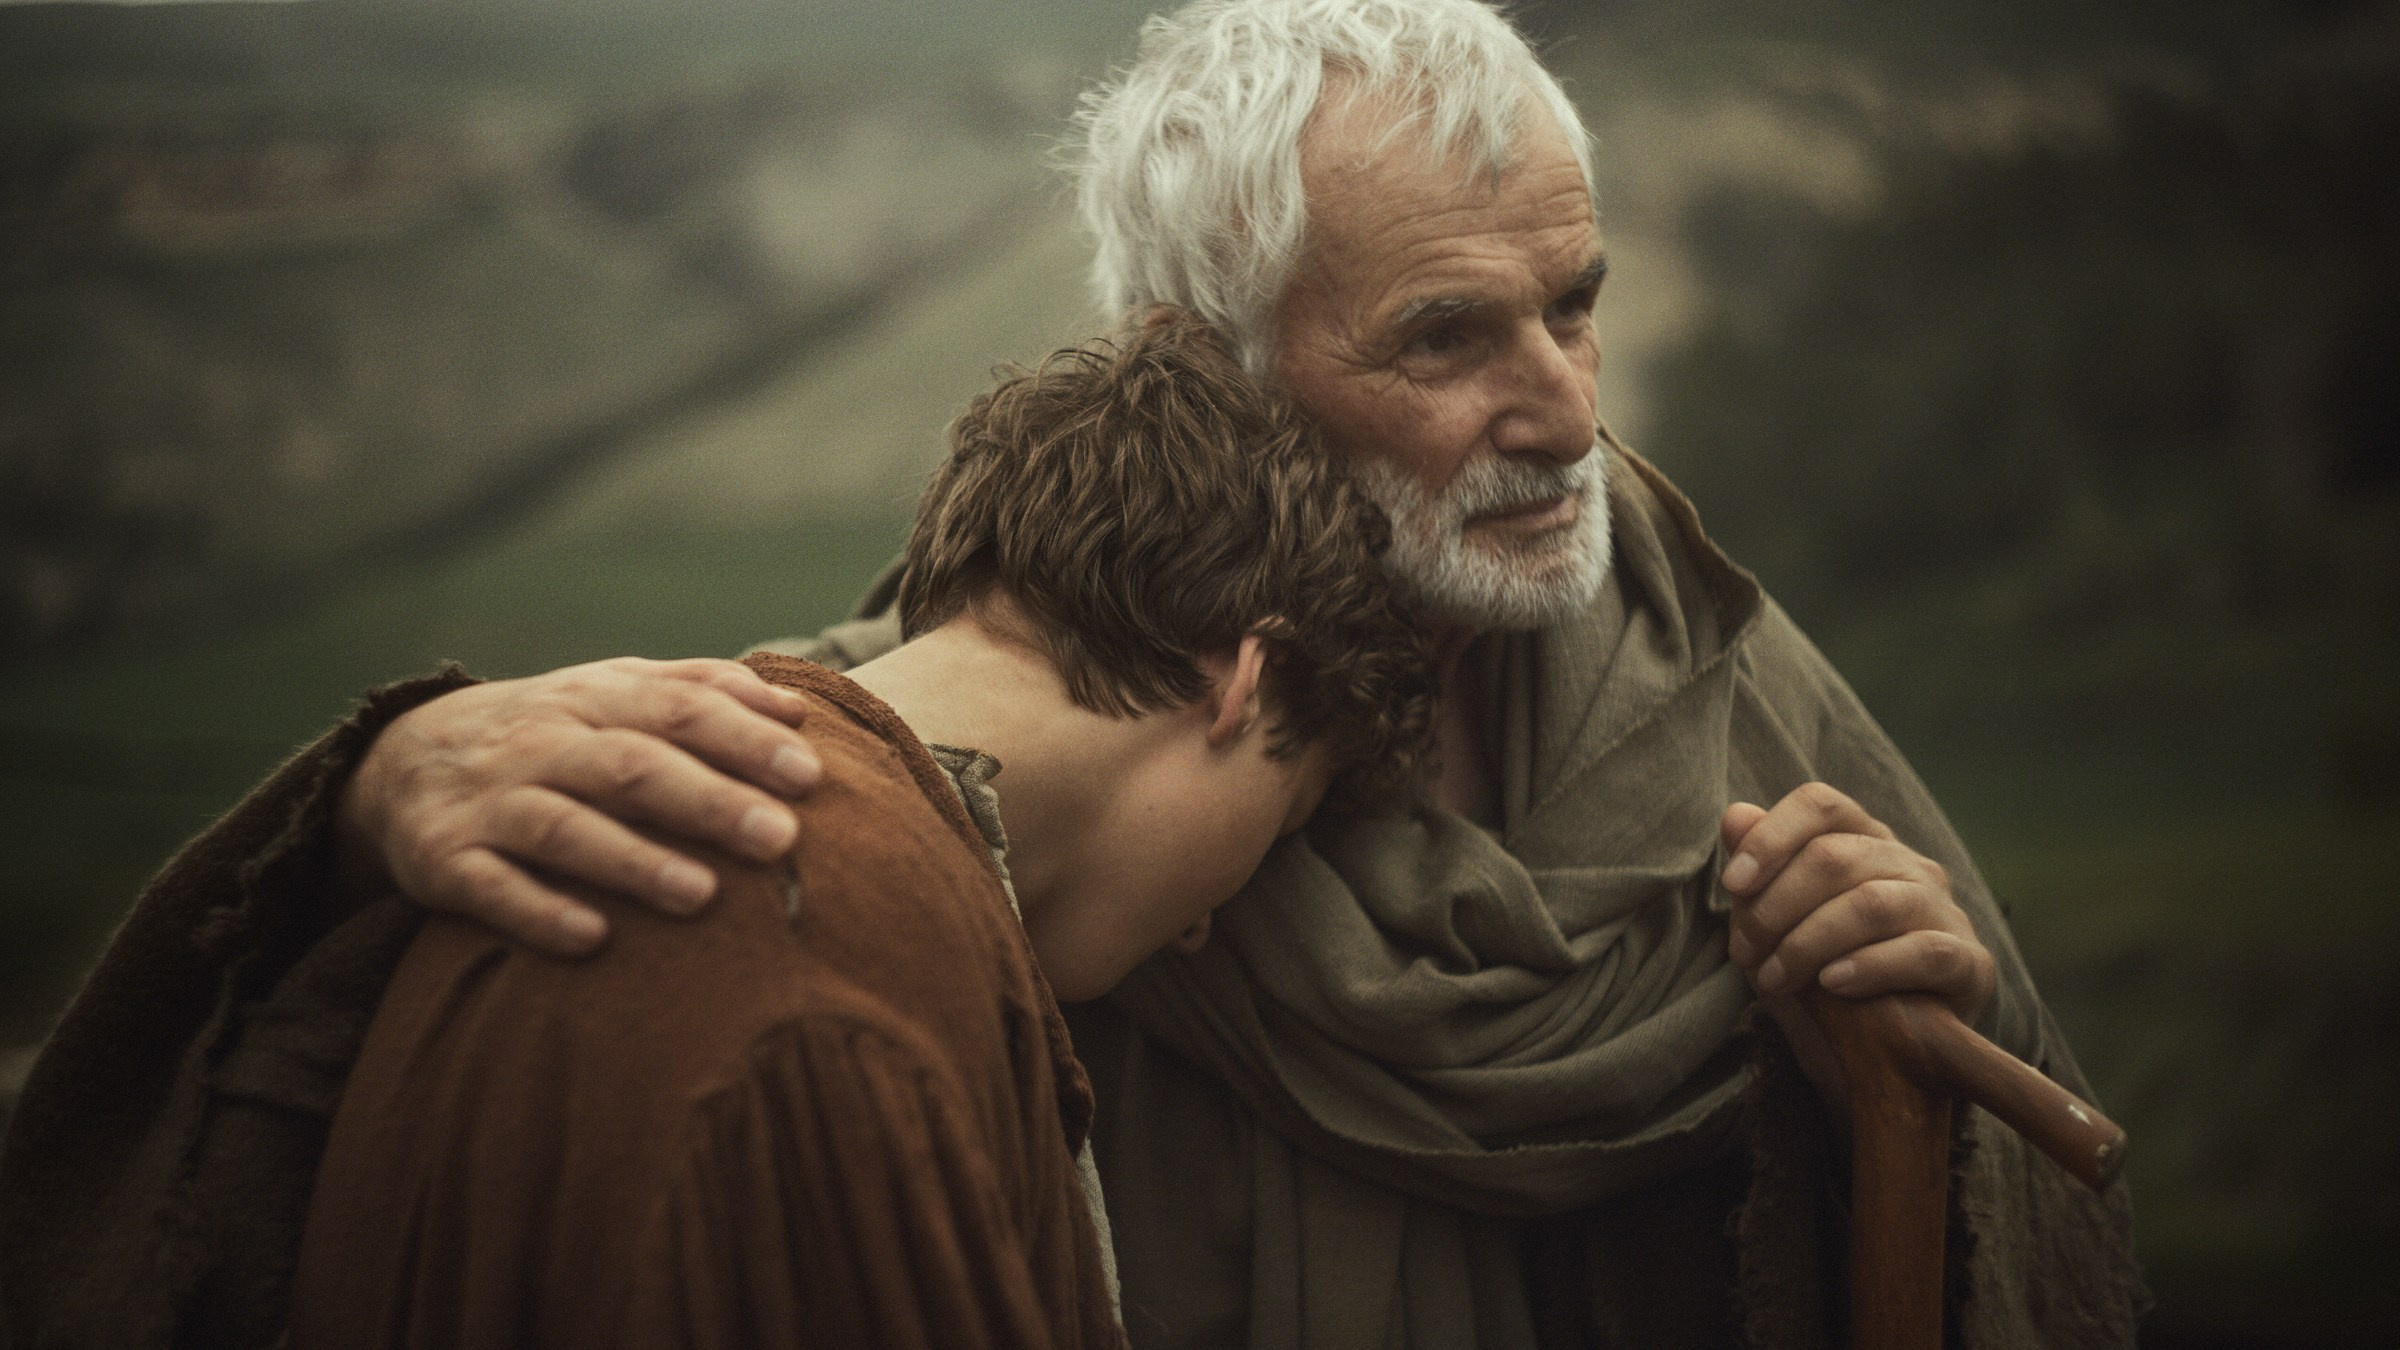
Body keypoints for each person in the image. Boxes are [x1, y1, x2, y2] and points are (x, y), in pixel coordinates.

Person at [1, 1, 2145, 1347]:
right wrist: (384, 797)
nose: (1569, 408)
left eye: (1574, 306)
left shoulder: (1722, 682)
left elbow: (2026, 1192)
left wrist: (1889, 1061)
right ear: (1208, 372)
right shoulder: (895, 758)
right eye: (1445, 336)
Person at [282, 310, 1435, 1349]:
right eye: (1277, 825)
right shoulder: (834, 965)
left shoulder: (666, 818)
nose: (1208, 927)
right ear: (1245, 678)